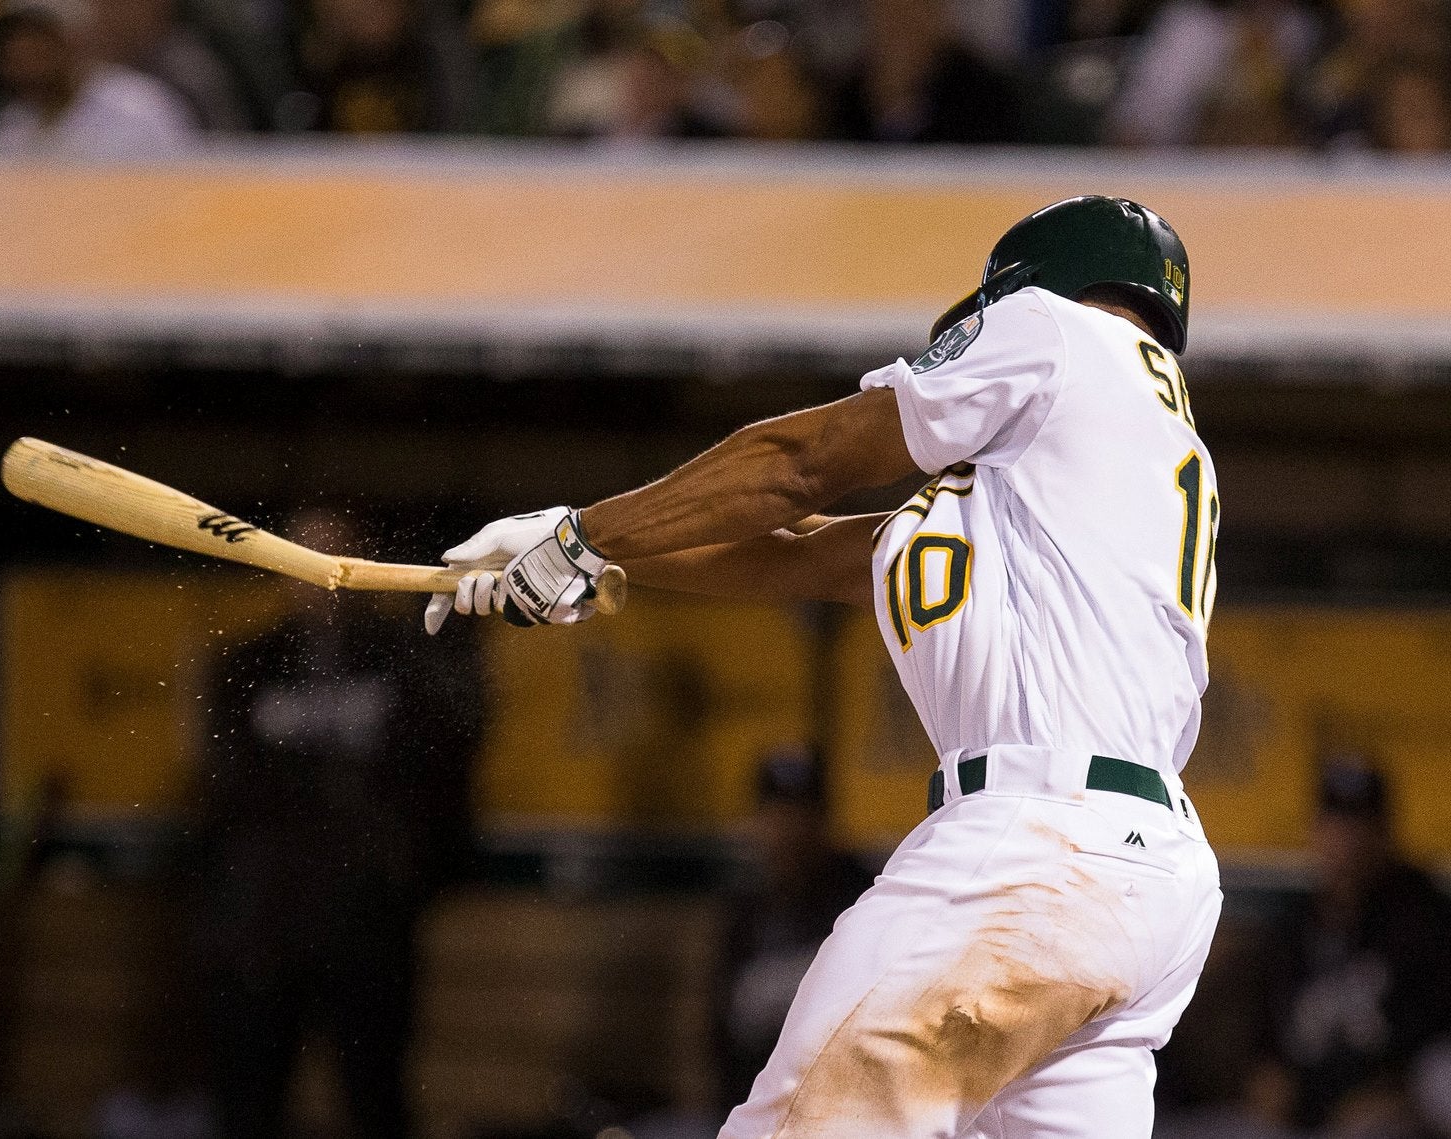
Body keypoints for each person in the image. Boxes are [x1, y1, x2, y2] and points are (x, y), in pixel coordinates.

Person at [426, 195, 1223, 1137]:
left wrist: (584, 538)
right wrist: (579, 545)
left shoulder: (1053, 328)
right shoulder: (1095, 473)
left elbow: (803, 463)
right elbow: (800, 552)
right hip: (1150, 885)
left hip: (1035, 848)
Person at [197, 508, 484, 1138]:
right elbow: (221, 795)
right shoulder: (246, 664)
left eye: (331, 558)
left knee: (374, 1096)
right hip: (263, 927)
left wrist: (404, 877)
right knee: (248, 1101)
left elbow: (443, 779)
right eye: (300, 558)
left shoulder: (407, 659)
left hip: (366, 922)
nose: (316, 578)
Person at [1258, 756, 1451, 1131]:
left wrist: (1397, 1094)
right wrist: (1267, 1073)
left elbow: (1434, 1034)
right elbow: (1268, 1040)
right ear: (1316, 830)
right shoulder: (1295, 924)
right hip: (1311, 1110)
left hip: (1397, 1105)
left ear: (1384, 833)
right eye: (1335, 823)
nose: (1347, 839)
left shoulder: (1424, 916)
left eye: (1360, 824)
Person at [713, 746, 871, 1114]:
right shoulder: (746, 910)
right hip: (753, 1106)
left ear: (823, 820)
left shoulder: (862, 898)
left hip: (837, 1106)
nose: (788, 830)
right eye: (776, 815)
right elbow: (720, 1033)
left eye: (801, 814)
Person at [0, 0, 199, 158]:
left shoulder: (138, 107)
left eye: (37, 53)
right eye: (14, 58)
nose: (27, 69)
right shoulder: (13, 124)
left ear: (69, 43)